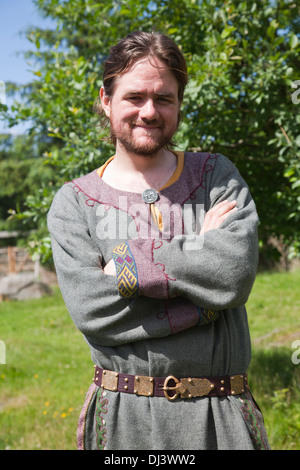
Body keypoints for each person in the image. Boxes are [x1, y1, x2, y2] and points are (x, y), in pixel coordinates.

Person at [47, 31, 270, 451]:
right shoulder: (73, 203)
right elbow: (93, 310)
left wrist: (128, 265)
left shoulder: (214, 176)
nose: (149, 112)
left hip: (220, 417)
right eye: (134, 97)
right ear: (105, 99)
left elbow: (234, 275)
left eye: (164, 98)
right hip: (124, 422)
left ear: (179, 103)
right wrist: (205, 292)